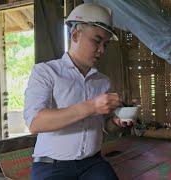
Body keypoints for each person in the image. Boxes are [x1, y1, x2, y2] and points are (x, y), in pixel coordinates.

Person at [24, 3, 132, 180]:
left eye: (105, 44)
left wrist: (116, 122)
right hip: (51, 165)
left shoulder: (102, 81)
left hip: (92, 163)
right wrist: (92, 106)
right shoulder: (45, 72)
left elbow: (105, 127)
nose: (102, 50)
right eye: (97, 41)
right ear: (75, 35)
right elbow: (35, 123)